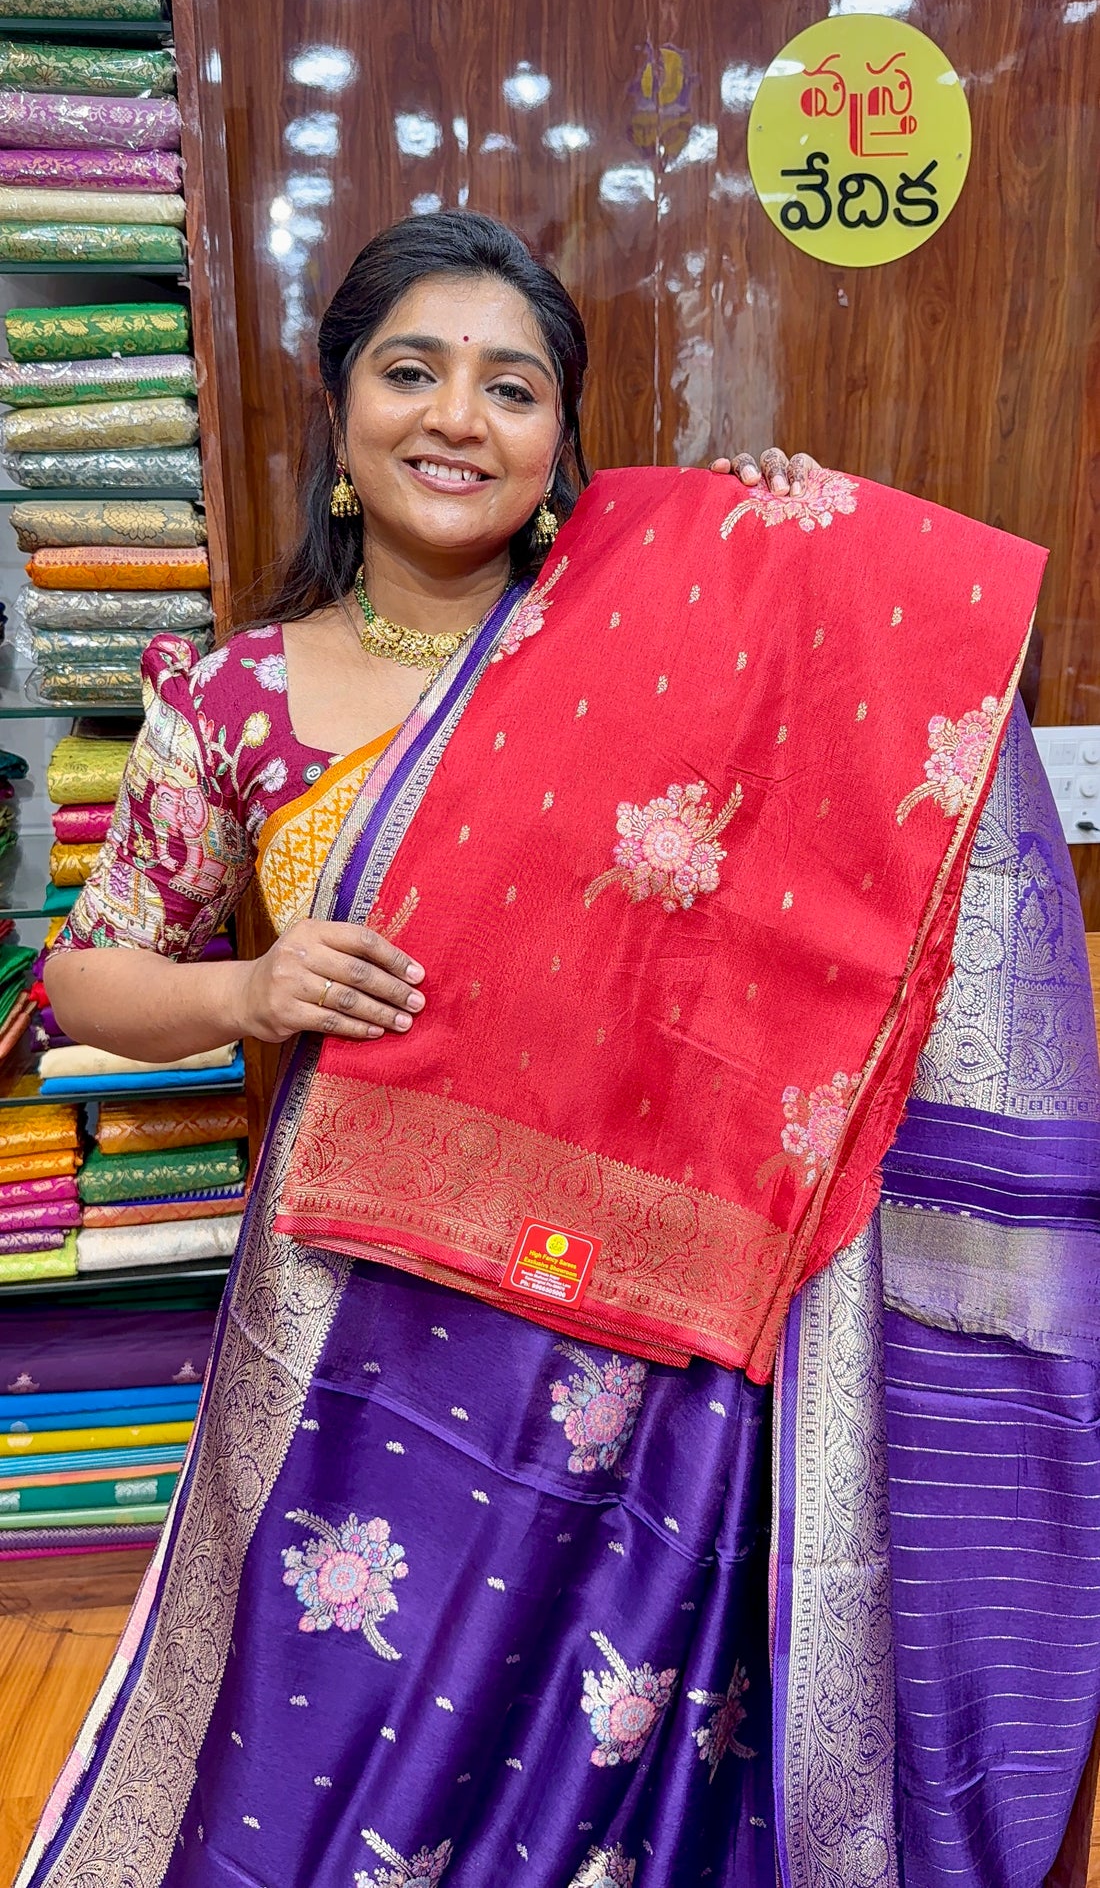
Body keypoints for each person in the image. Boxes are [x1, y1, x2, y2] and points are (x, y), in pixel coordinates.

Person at [21, 213, 1100, 1888]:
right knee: (325, 1744)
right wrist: (252, 993)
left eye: (511, 387)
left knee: (607, 1758)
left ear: (558, 442)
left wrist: (811, 562)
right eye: (413, 371)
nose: (458, 417)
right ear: (339, 409)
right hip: (356, 1315)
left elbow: (852, 822)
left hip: (638, 1341)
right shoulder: (233, 700)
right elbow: (84, 983)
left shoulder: (679, 643)